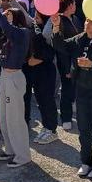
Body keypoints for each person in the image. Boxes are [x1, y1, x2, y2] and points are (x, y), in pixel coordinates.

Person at [53, 15, 92, 179]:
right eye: (86, 20)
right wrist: (57, 27)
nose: (87, 24)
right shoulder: (80, 38)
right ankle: (86, 161)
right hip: (81, 88)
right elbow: (61, 46)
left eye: (91, 21)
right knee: (83, 127)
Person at [0, 4, 33, 168]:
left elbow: (10, 30)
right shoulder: (5, 34)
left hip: (15, 76)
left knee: (15, 118)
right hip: (5, 76)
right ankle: (10, 149)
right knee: (4, 117)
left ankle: (23, 155)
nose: (5, 16)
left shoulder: (22, 33)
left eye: (9, 15)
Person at [28, 11, 60, 145]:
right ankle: (46, 127)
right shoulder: (35, 28)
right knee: (41, 100)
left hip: (47, 70)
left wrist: (38, 60)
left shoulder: (49, 31)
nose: (34, 19)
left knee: (47, 100)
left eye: (37, 17)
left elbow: (50, 51)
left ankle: (52, 130)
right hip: (37, 71)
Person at [50, 0, 80, 130]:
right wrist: (67, 67)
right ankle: (66, 118)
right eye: (74, 4)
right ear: (69, 5)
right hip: (65, 60)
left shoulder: (74, 19)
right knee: (66, 89)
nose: (75, 6)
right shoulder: (59, 20)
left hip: (75, 59)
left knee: (73, 87)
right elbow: (57, 43)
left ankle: (72, 105)